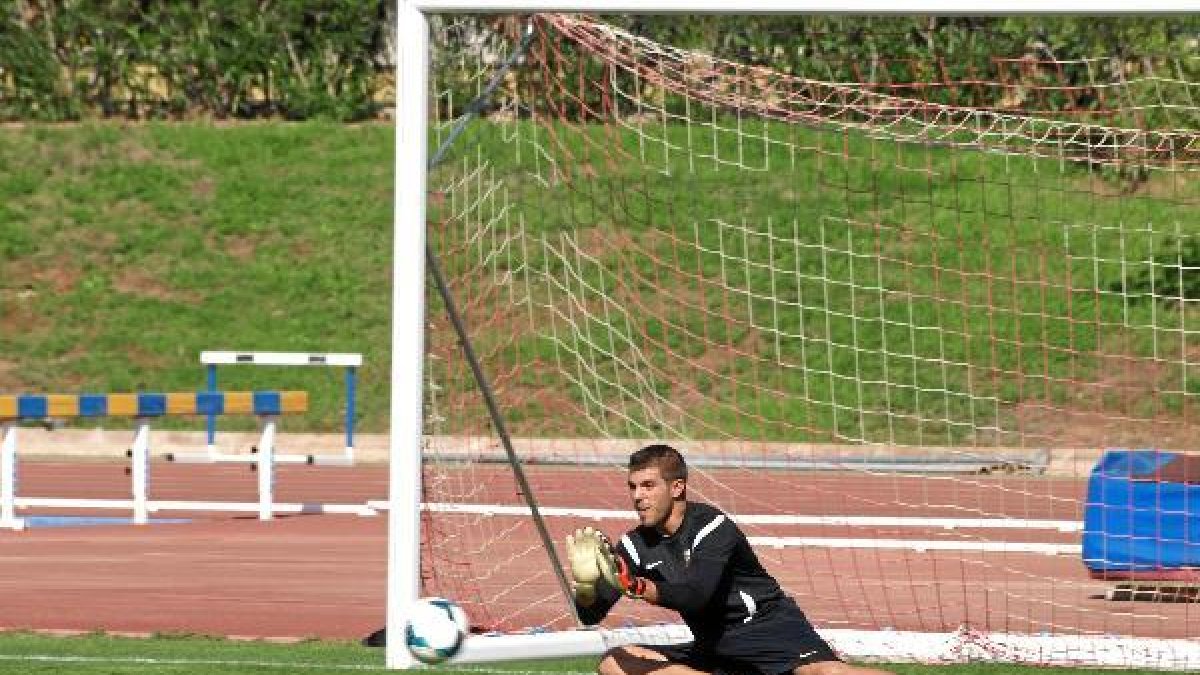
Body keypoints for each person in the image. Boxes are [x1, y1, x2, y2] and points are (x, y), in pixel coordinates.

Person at [565, 444, 893, 675]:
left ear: (677, 487)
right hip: (715, 644)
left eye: (648, 486)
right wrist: (586, 588)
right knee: (616, 661)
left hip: (768, 628)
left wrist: (634, 585)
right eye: (633, 487)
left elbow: (697, 595)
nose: (638, 497)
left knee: (828, 672)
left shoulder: (711, 526)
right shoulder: (635, 544)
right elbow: (591, 615)